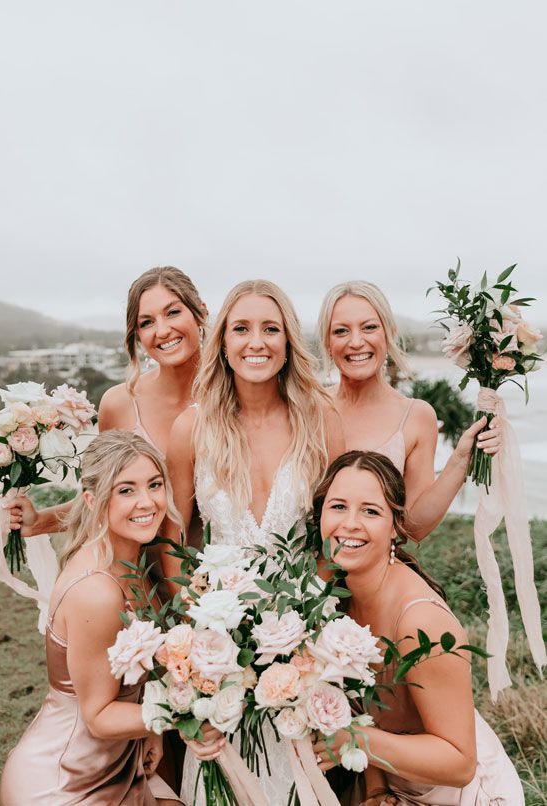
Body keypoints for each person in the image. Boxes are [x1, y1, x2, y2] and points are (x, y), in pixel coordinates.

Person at [162, 279, 345, 805]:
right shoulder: (191, 428)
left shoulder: (321, 419)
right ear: (221, 341)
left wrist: (306, 628)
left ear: (289, 341)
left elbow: (334, 539)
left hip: (303, 648)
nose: (256, 342)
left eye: (271, 328)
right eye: (241, 328)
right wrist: (197, 651)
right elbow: (174, 543)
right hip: (219, 656)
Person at [313, 450, 523, 805]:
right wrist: (377, 789)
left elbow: (459, 763)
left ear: (396, 525)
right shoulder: (333, 597)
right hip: (391, 783)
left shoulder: (420, 621)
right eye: (338, 507)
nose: (349, 523)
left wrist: (358, 742)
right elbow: (365, 712)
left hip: (458, 793)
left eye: (370, 511)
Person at [0, 430, 186, 805]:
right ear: (93, 500)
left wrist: (150, 732)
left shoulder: (133, 562)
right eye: (126, 490)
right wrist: (192, 708)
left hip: (119, 762)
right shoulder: (97, 592)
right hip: (65, 781)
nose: (147, 502)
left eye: (154, 484)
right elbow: (98, 716)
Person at [6, 265, 207, 536]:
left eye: (173, 312)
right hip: (139, 570)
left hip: (229, 573)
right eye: (146, 322)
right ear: (137, 335)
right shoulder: (119, 404)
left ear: (201, 312)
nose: (162, 330)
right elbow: (104, 498)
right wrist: (42, 521)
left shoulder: (237, 396)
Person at [317, 282, 501, 541]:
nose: (356, 342)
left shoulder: (416, 416)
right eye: (341, 331)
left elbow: (414, 528)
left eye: (369, 327)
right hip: (301, 573)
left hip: (377, 574)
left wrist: (461, 461)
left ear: (388, 333)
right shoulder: (306, 406)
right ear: (327, 341)